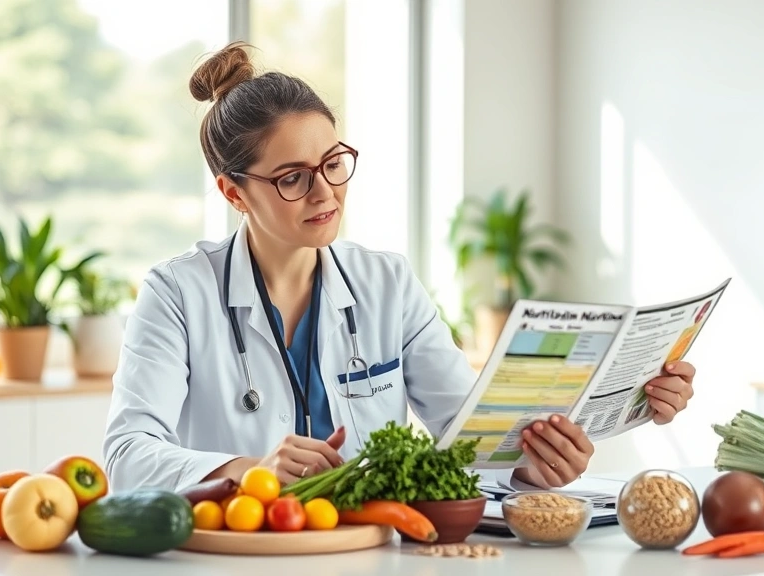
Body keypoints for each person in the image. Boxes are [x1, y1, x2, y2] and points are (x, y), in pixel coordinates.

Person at [102, 42, 697, 493]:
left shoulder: (386, 284)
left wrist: (540, 461)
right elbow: (127, 454)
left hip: (372, 551)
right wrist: (250, 469)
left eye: (333, 163)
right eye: (292, 178)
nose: (324, 193)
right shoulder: (176, 293)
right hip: (239, 555)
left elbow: (472, 439)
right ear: (233, 193)